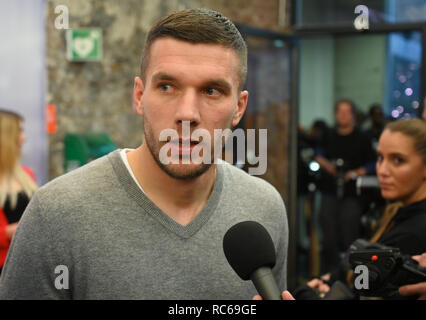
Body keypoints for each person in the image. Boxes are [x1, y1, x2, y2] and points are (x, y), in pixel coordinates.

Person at [0, 9, 289, 300]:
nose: (187, 113)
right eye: (167, 87)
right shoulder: (54, 215)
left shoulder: (264, 208)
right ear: (139, 96)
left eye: (211, 91)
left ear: (239, 107)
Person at [306, 118, 426, 299]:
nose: (383, 170)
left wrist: (311, 292)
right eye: (380, 158)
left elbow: (361, 289)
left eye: (398, 160)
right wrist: (330, 278)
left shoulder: (413, 234)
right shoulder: (396, 213)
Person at [315, 99, 376, 273]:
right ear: (335, 114)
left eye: (346, 111)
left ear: (353, 115)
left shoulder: (363, 137)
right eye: (339, 111)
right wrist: (329, 167)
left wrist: (356, 172)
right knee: (328, 236)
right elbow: (318, 155)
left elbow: (373, 163)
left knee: (350, 231)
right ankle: (330, 274)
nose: (343, 115)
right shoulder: (328, 134)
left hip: (352, 193)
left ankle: (351, 274)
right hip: (329, 191)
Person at [0, 109, 37, 275]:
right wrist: (8, 232)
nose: (24, 137)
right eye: (20, 131)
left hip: (28, 263)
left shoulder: (26, 174)